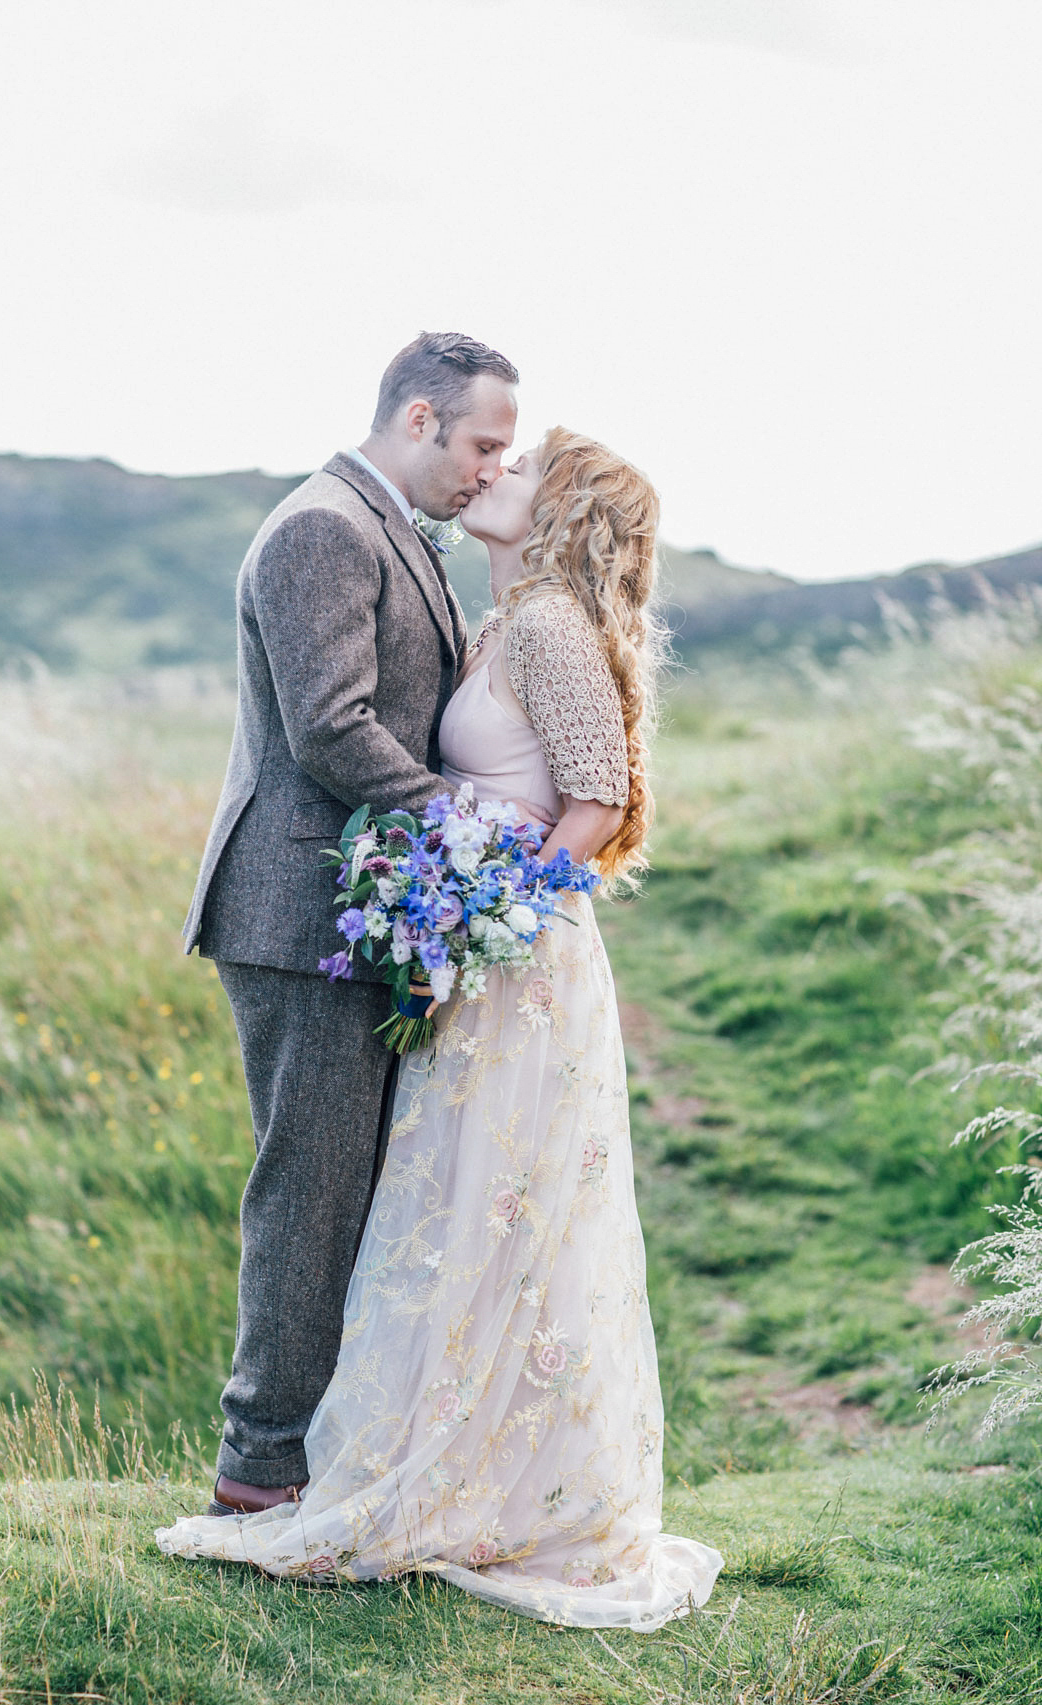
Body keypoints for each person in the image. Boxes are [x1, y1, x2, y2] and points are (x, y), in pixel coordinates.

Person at [158, 427, 724, 1631]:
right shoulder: (507, 624)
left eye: (518, 468)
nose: (492, 476)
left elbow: (601, 800)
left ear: (561, 511)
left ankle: (491, 1485)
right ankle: (451, 1461)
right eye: (489, 451)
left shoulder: (553, 630)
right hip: (489, 958)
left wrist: (494, 911)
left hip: (522, 962)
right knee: (459, 1207)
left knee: (500, 1211)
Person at [184, 332, 520, 1516]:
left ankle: (321, 1455)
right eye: (484, 442)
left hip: (355, 909)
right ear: (420, 420)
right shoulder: (325, 526)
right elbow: (331, 726)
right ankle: (262, 1471)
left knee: (356, 1188)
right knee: (310, 1189)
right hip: (298, 907)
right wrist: (462, 825)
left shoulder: (393, 532)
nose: (491, 468)